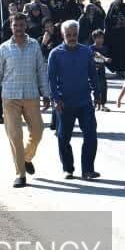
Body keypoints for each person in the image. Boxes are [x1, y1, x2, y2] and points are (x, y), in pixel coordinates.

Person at [0, 14, 51, 189]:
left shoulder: (34, 46)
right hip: (10, 97)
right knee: (15, 136)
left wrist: (46, 94)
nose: (19, 28)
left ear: (26, 26)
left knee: (38, 132)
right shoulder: (4, 48)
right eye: (15, 25)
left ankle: (26, 158)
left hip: (31, 95)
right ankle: (20, 174)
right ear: (11, 27)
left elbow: (41, 70)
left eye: (22, 25)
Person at [48, 20, 99, 180]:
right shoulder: (55, 54)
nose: (71, 38)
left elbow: (93, 74)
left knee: (90, 135)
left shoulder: (86, 52)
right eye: (68, 35)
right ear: (63, 35)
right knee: (63, 137)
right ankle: (68, 169)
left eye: (74, 35)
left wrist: (97, 93)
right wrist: (56, 99)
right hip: (65, 103)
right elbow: (51, 79)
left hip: (84, 102)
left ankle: (88, 170)